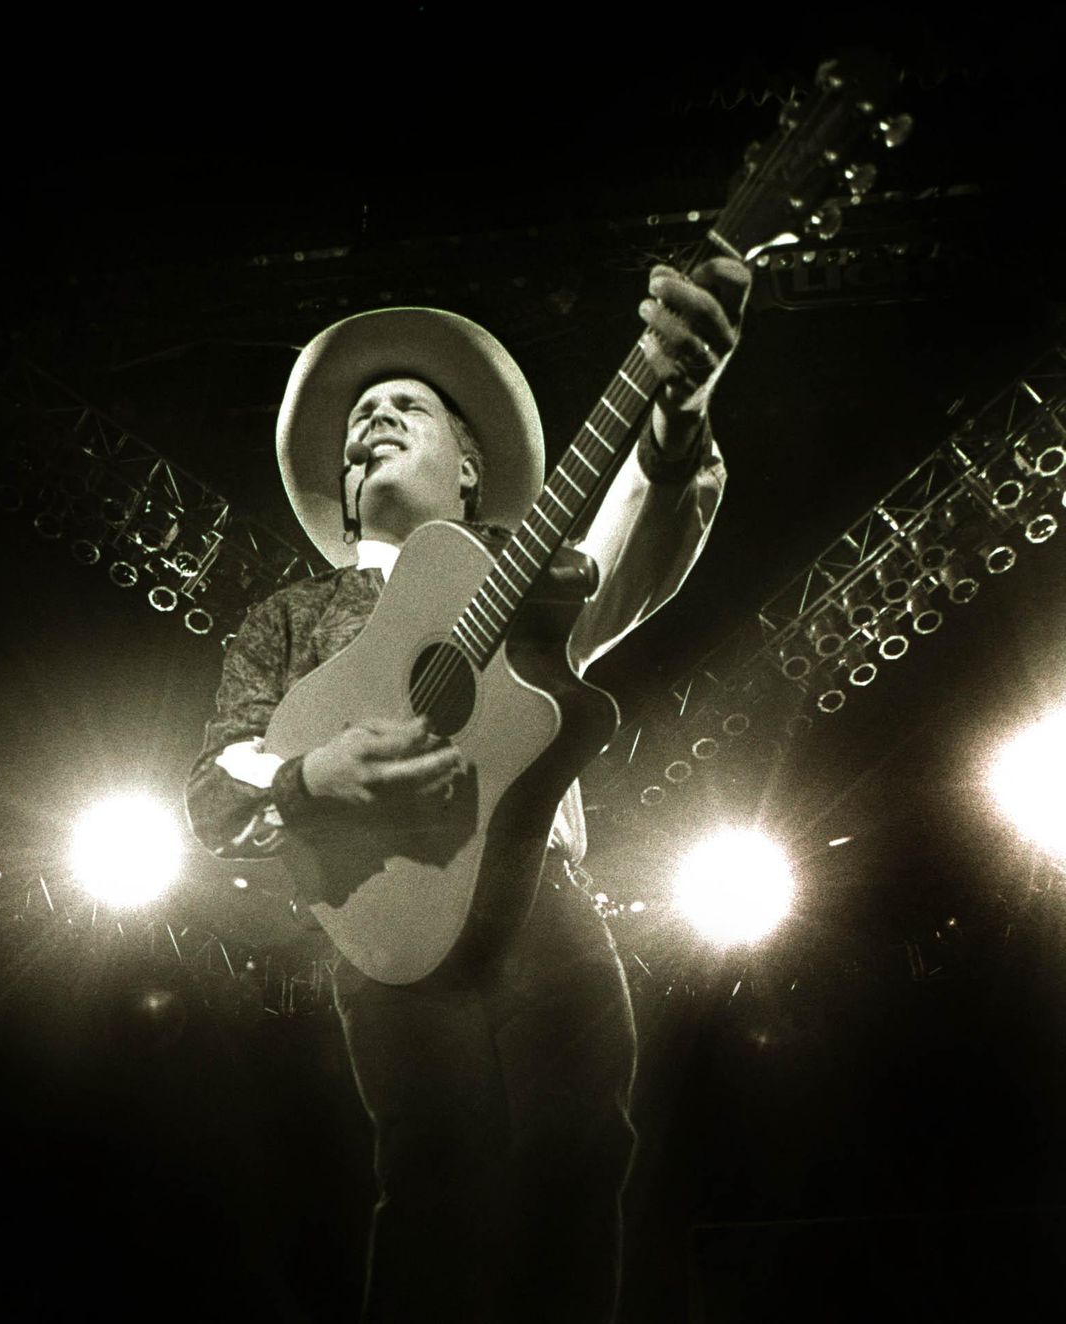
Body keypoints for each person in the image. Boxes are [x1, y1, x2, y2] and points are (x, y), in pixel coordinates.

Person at [186, 258, 749, 1323]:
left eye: (407, 405)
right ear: (344, 487)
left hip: (543, 899)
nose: (374, 420)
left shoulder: (527, 572)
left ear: (473, 475)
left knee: (580, 1157)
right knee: (436, 1178)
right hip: (393, 925)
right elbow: (216, 785)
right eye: (360, 416)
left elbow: (637, 543)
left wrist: (676, 425)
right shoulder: (288, 619)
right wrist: (310, 775)